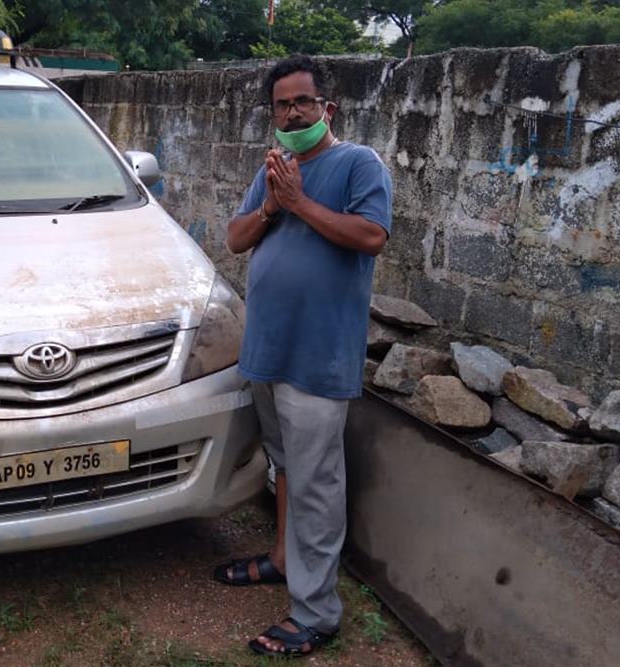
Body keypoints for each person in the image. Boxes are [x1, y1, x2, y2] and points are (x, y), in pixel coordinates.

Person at [211, 55, 393, 658]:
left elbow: (371, 236)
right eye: (282, 105)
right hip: (268, 353)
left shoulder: (356, 164)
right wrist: (271, 204)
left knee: (316, 483)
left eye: (303, 102)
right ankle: (284, 559)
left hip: (318, 359)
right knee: (285, 467)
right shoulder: (274, 171)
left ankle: (316, 613)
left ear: (327, 109)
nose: (293, 113)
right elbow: (235, 239)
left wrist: (299, 204)